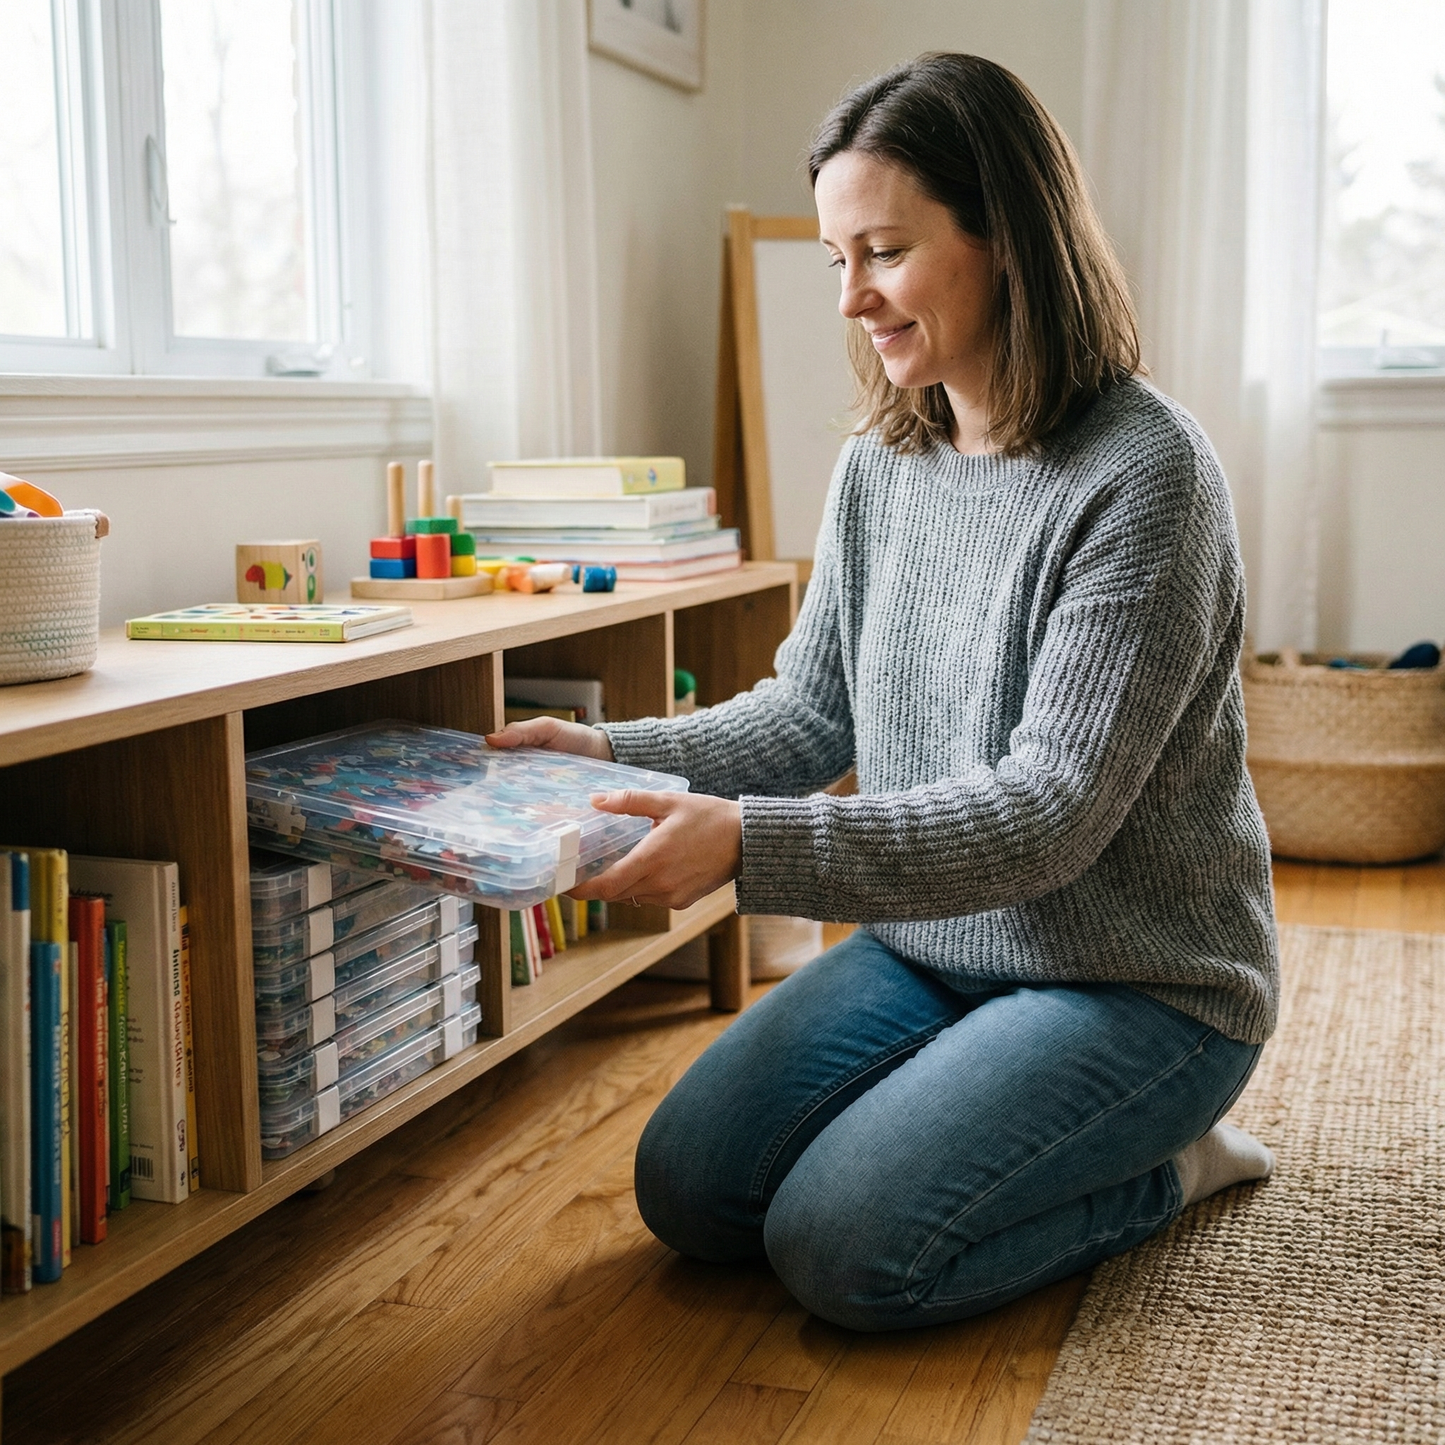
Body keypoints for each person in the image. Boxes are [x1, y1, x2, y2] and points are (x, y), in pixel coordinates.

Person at [487, 52, 1278, 1333]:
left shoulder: (1145, 475)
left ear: (1005, 238)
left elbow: (1046, 815)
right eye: (832, 259)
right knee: (687, 1187)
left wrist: (745, 849)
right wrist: (603, 748)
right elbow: (810, 715)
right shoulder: (880, 463)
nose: (851, 296)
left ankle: (1175, 1164)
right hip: (933, 947)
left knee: (844, 1248)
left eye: (885, 252)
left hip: (1140, 981)